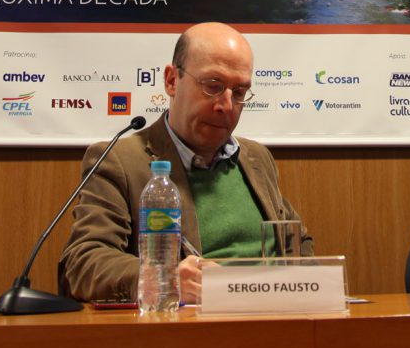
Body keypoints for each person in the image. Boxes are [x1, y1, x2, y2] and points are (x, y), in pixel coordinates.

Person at [59, 22, 311, 302]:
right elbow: (83, 262)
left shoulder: (257, 158)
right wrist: (163, 279)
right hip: (187, 323)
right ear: (171, 81)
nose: (226, 106)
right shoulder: (120, 161)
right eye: (213, 86)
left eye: (239, 92)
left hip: (272, 315)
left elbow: (297, 242)